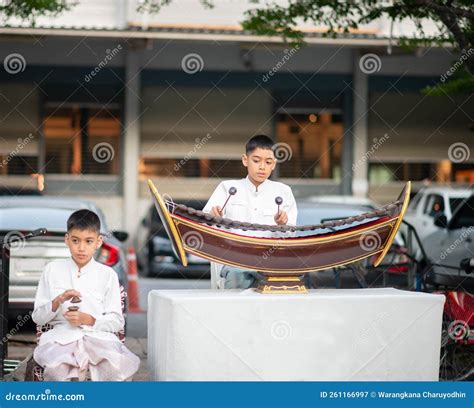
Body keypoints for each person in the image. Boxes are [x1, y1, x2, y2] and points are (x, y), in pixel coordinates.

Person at [32, 209, 140, 381]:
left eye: (88, 241)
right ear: (67, 240)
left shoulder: (107, 274)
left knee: (115, 369)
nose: (81, 248)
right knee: (56, 372)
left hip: (99, 338)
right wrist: (58, 301)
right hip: (60, 339)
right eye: (75, 241)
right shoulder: (52, 270)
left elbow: (117, 321)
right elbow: (38, 318)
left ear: (99, 242)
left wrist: (88, 319)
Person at [203, 135, 297, 289]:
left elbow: (290, 236)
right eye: (256, 160)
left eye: (268, 162)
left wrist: (284, 224)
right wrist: (214, 218)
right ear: (245, 160)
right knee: (236, 277)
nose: (262, 167)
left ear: (274, 164)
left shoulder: (284, 191)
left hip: (270, 261)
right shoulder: (226, 188)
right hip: (234, 261)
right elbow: (205, 225)